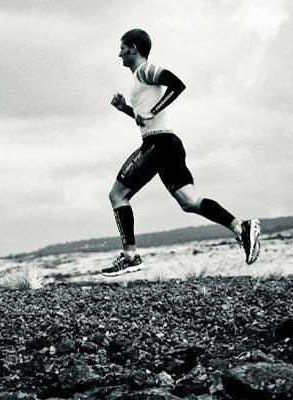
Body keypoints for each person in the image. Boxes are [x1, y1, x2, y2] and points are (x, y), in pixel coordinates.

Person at [100, 29, 260, 277]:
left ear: (133, 48)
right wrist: (126, 109)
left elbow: (177, 85)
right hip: (168, 144)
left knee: (117, 195)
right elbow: (145, 119)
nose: (119, 54)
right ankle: (241, 227)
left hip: (158, 143)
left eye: (122, 48)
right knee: (189, 202)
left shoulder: (145, 70)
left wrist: (152, 111)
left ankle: (130, 257)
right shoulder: (139, 80)